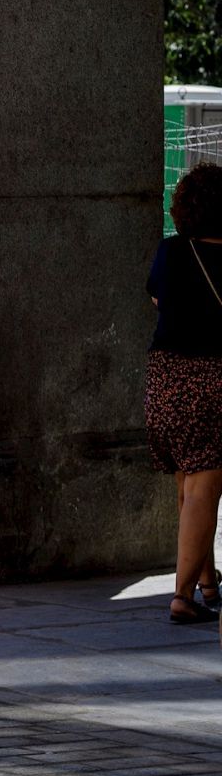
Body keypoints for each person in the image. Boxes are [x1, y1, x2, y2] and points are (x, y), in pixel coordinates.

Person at [145, 163, 222, 627]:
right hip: (211, 376)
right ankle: (182, 594)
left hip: (164, 376)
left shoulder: (170, 252)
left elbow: (156, 299)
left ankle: (207, 580)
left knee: (188, 484)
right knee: (205, 486)